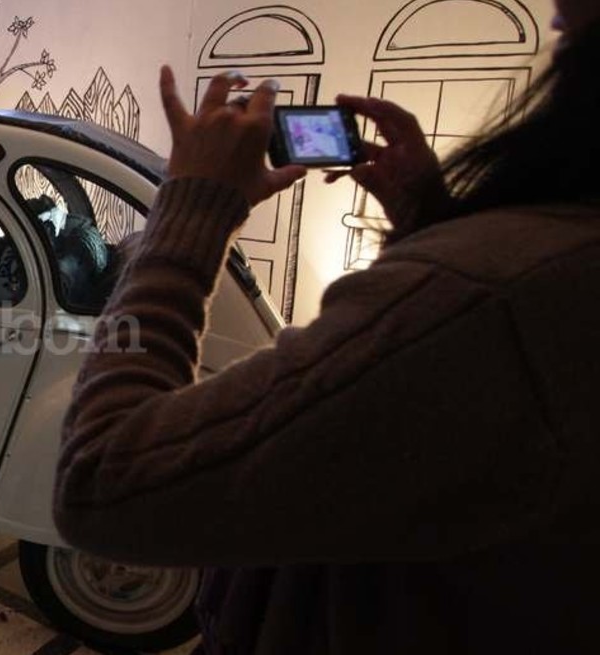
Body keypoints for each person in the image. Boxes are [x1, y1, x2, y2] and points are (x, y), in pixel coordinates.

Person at [54, 1, 600, 653]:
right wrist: (430, 222)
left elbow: (103, 481)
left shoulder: (500, 295)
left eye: (570, 25)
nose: (555, 21)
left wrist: (193, 207)